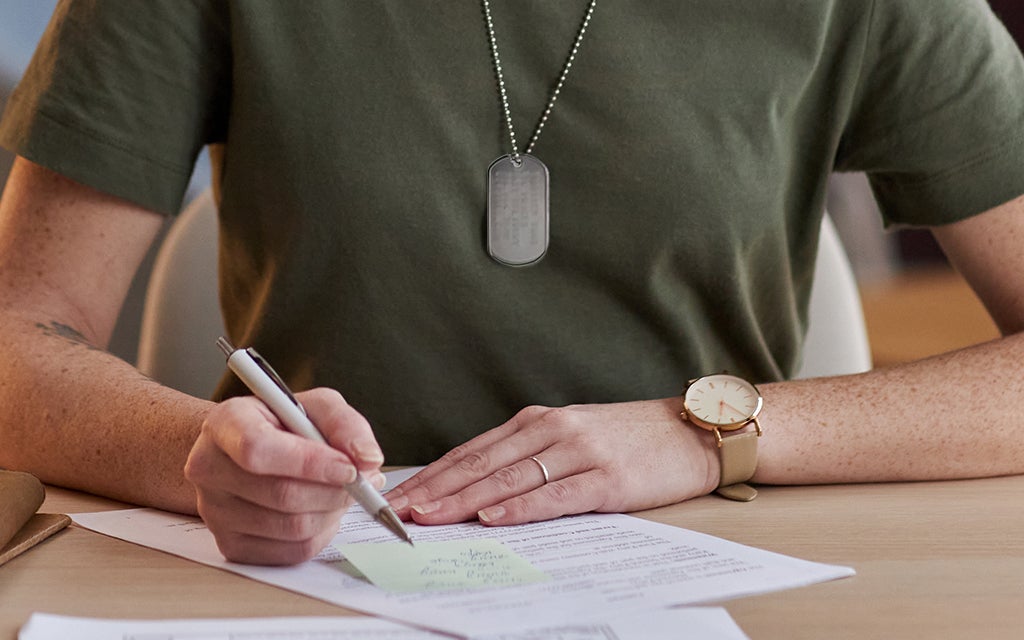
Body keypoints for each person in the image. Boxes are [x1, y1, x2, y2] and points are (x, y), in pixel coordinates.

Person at [1, 0, 1023, 566]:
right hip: (311, 576)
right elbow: (15, 339)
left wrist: (705, 433)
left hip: (715, 575)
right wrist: (191, 453)